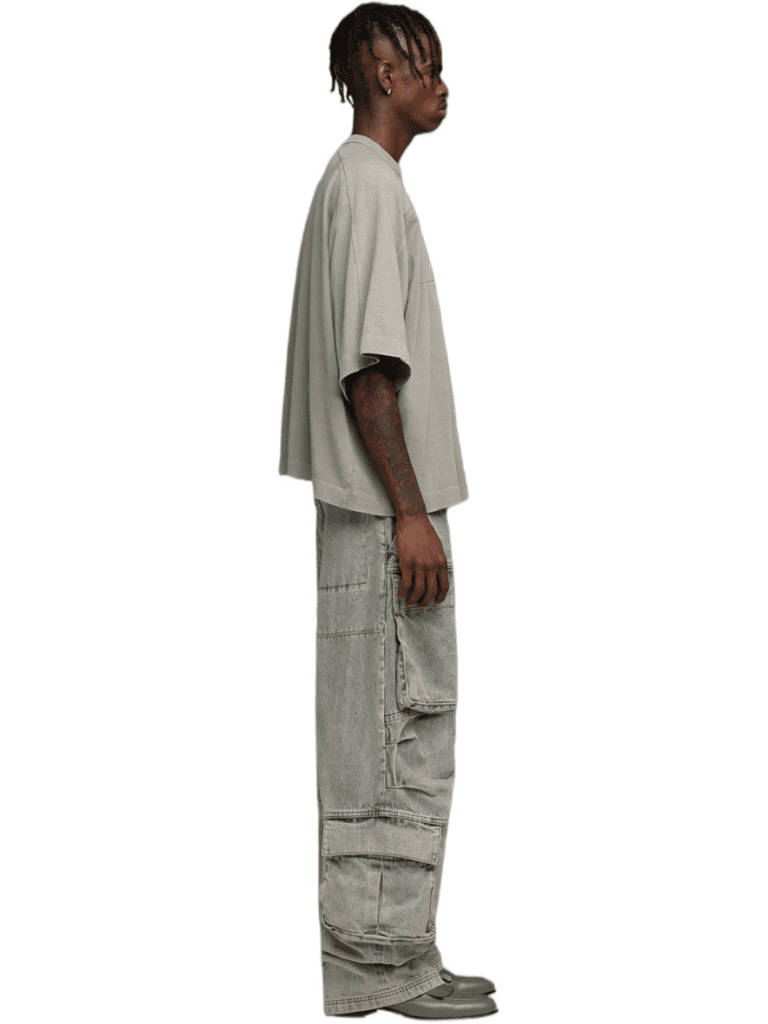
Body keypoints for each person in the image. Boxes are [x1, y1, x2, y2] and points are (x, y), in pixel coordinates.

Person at [278, 4, 497, 1017]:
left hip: (371, 516)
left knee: (386, 738)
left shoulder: (357, 183)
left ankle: (399, 950)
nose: (442, 84)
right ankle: (384, 967)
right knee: (392, 737)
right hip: (382, 519)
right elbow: (369, 374)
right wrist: (411, 514)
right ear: (380, 69)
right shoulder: (367, 184)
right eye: (427, 65)